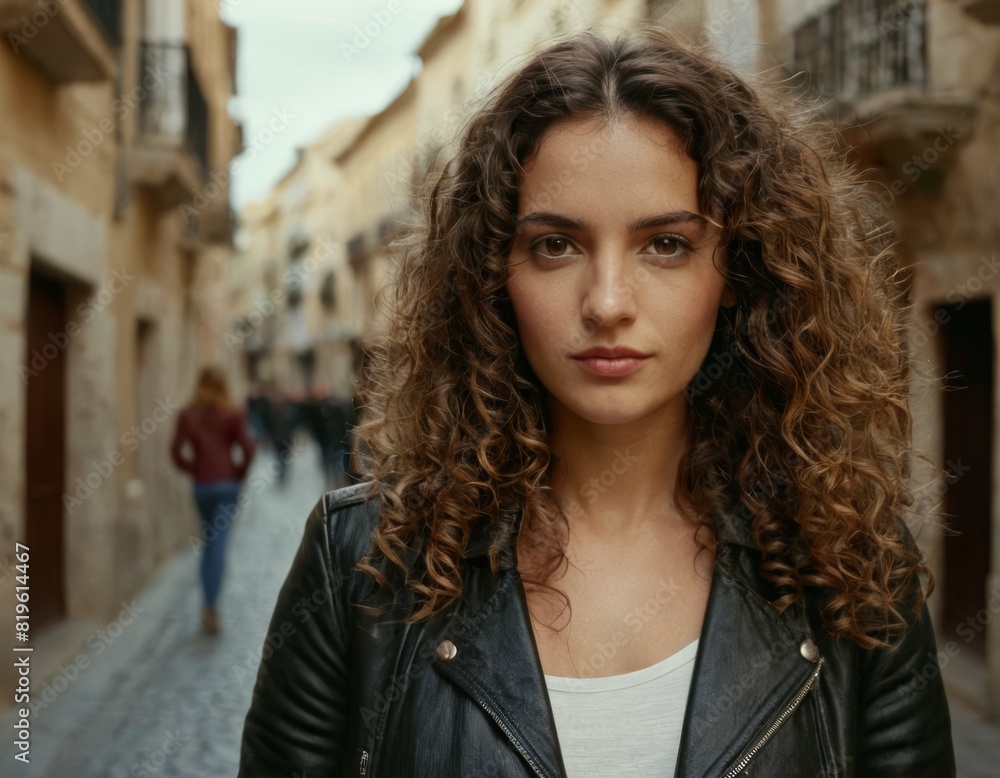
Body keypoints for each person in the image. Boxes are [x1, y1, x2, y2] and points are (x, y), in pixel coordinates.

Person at [238, 26, 956, 777]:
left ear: (740, 269)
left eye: (666, 245)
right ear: (492, 275)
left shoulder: (852, 568)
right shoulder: (359, 563)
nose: (607, 302)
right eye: (556, 244)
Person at [171, 365, 256, 635]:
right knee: (218, 544)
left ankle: (208, 605)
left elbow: (175, 452)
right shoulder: (232, 413)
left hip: (202, 487)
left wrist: (193, 469)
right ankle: (210, 607)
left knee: (208, 542)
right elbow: (249, 448)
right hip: (226, 486)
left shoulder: (188, 414)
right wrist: (237, 474)